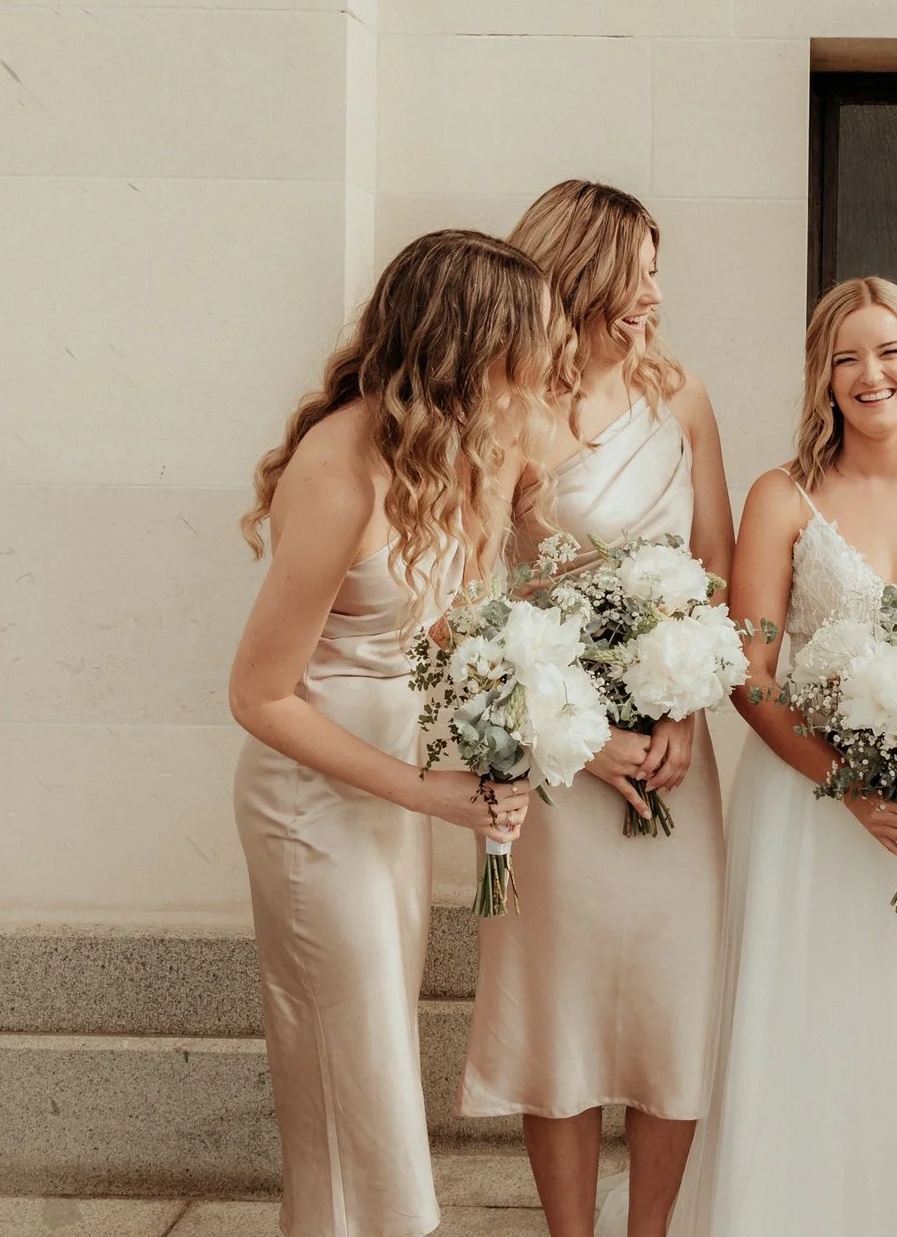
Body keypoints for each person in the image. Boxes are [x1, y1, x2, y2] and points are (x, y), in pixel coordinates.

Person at [665, 277, 897, 1237]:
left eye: (886, 352)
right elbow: (749, 678)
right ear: (822, 380)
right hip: (811, 811)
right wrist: (850, 789)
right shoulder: (781, 496)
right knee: (809, 1035)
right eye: (845, 359)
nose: (869, 375)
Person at [227, 230, 555, 1237]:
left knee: (361, 1074)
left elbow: (444, 623)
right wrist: (428, 789)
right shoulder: (337, 473)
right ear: (474, 342)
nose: (544, 361)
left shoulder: (440, 451)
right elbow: (257, 693)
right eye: (530, 339)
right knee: (355, 1068)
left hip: (390, 800)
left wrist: (521, 710)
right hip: (311, 809)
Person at [461, 183, 734, 1237]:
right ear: (581, 272)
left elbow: (711, 568)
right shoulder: (510, 406)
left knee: (675, 1004)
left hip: (675, 755)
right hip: (561, 762)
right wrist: (588, 731)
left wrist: (681, 709)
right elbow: (479, 601)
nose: (654, 295)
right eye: (639, 270)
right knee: (561, 1006)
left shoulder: (687, 399)